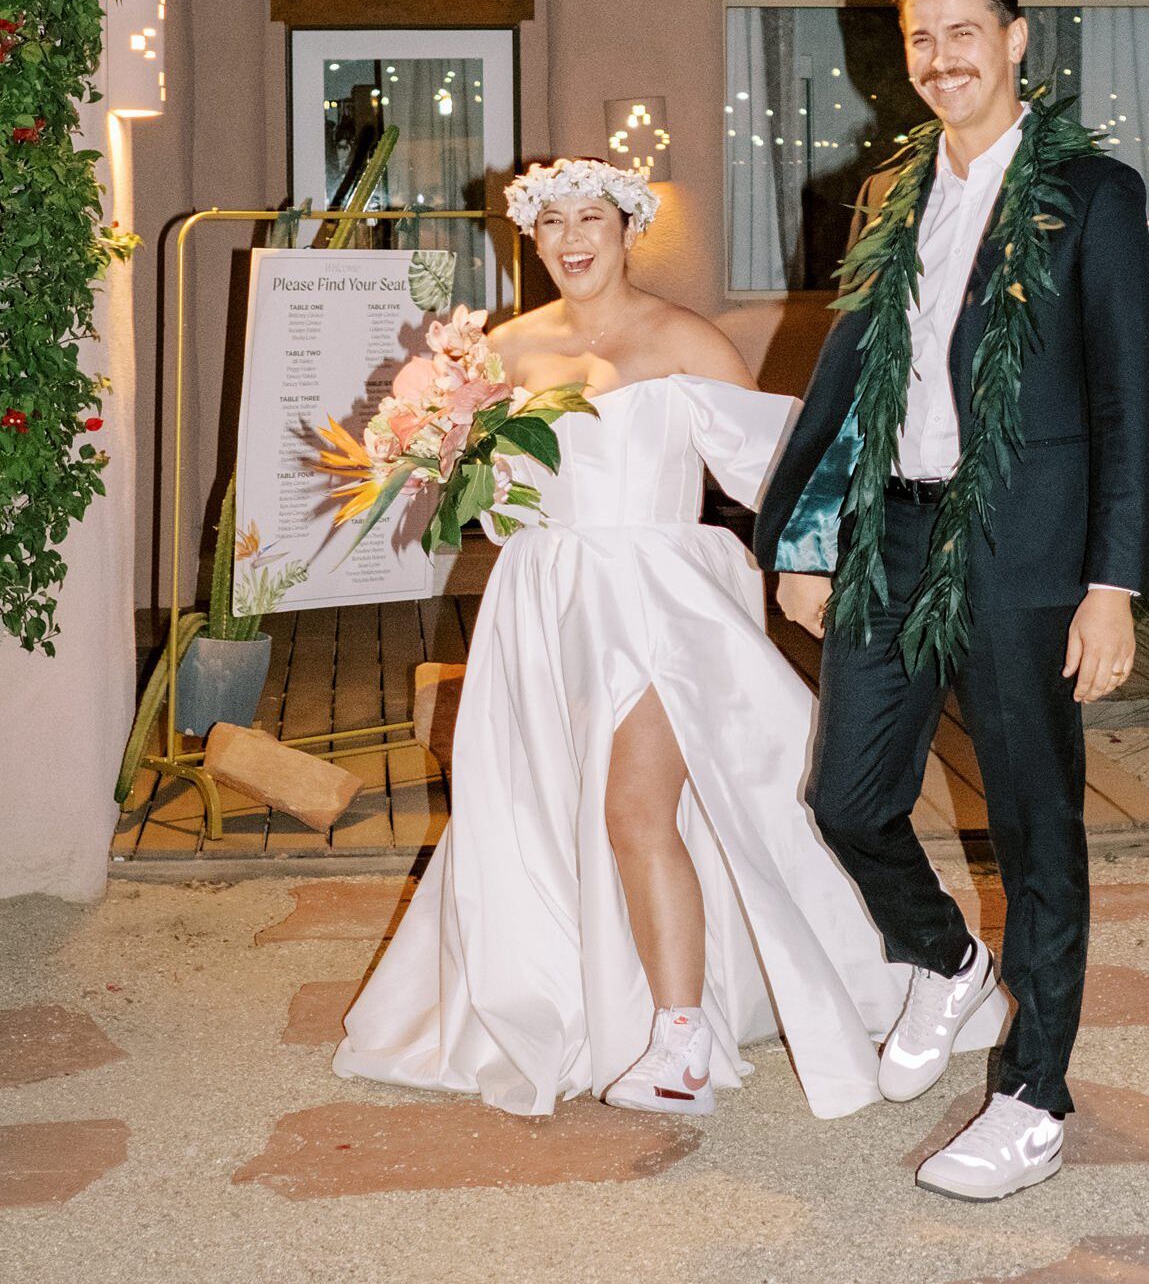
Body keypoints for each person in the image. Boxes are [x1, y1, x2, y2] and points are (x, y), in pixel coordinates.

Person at [333, 157, 986, 1118]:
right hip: (546, 606)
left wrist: (826, 560)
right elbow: (493, 492)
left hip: (663, 603)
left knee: (636, 810)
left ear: (628, 228)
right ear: (534, 238)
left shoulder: (685, 338)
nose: (572, 238)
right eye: (553, 222)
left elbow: (784, 467)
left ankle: (682, 1043)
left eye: (590, 217)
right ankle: (597, 997)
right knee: (548, 809)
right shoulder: (502, 351)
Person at [754, 0, 1149, 1202]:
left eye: (962, 32)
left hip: (1025, 545)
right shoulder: (890, 191)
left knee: (1034, 824)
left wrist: (1111, 583)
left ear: (1016, 38)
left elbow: (1128, 397)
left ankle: (1033, 1096)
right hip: (892, 530)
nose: (941, 59)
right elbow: (849, 377)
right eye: (920, 39)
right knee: (846, 798)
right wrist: (812, 537)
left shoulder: (1089, 193)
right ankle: (945, 962)